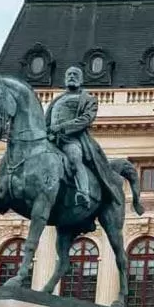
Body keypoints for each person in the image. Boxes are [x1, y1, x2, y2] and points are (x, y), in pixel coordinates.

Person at [44, 66, 121, 210]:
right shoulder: (57, 100)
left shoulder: (88, 99)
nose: (71, 76)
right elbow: (46, 121)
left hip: (72, 140)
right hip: (52, 140)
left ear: (81, 79)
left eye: (75, 74)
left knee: (74, 157)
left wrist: (62, 128)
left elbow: (86, 119)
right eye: (69, 74)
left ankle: (83, 193)